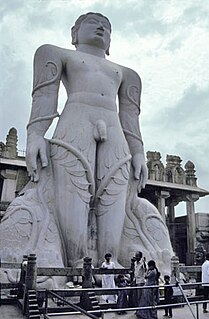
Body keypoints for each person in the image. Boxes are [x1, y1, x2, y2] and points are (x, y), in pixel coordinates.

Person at [25, 11, 148, 268]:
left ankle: (111, 262)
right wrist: (35, 134)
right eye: (93, 22)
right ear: (75, 33)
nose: (101, 27)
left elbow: (130, 118)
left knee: (114, 190)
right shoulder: (56, 54)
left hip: (114, 130)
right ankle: (76, 261)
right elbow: (45, 96)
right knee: (73, 186)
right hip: (76, 120)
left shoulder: (127, 73)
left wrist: (138, 152)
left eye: (107, 26)